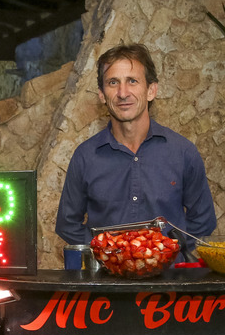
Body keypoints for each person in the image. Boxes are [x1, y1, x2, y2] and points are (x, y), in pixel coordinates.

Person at [55, 44, 216, 250]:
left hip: (169, 271)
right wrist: (106, 252)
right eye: (113, 82)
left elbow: (203, 221)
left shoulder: (183, 153)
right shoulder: (85, 157)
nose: (123, 93)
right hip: (106, 271)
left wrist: (169, 253)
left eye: (132, 81)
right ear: (102, 94)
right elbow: (67, 224)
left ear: (151, 90)